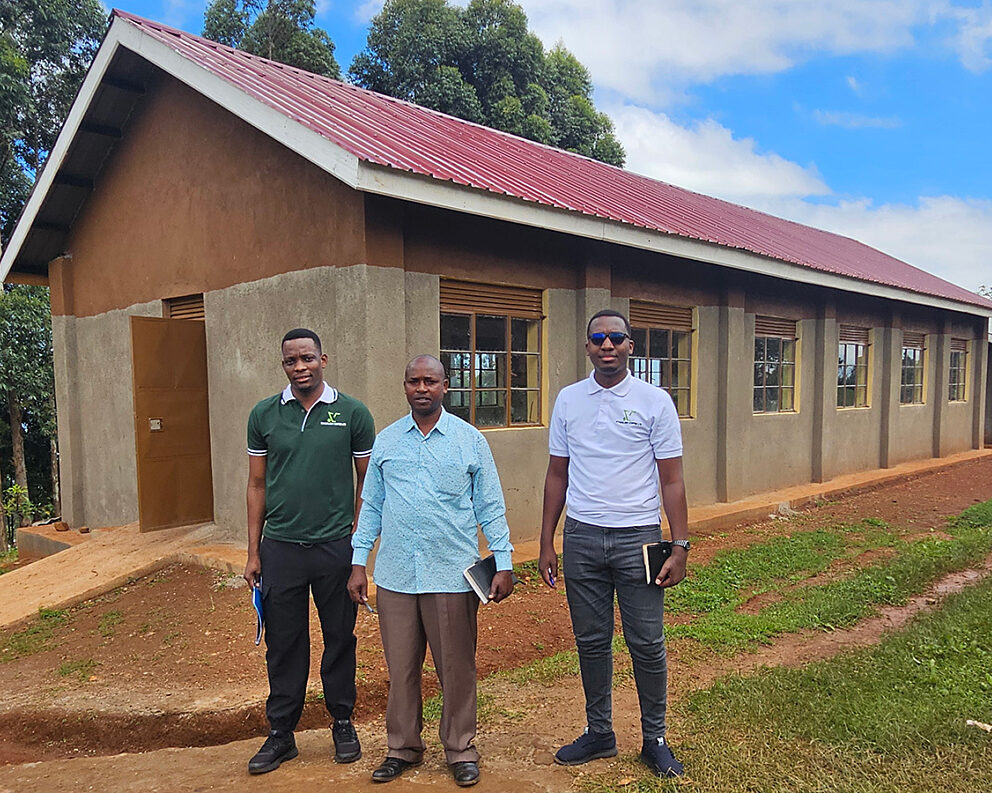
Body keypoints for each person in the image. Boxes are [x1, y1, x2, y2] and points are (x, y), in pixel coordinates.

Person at [348, 355, 514, 787]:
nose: (422, 388)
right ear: (404, 387)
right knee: (401, 668)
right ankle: (402, 747)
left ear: (446, 387)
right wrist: (357, 562)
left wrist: (505, 561)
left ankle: (460, 749)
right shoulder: (386, 442)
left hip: (450, 576)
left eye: (430, 381)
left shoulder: (469, 440)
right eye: (413, 381)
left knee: (456, 667)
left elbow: (490, 507)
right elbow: (371, 507)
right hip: (397, 576)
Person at [539, 309, 690, 778]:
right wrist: (547, 542)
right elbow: (557, 475)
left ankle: (655, 739)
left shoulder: (654, 401)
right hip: (582, 537)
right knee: (591, 642)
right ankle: (600, 733)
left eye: (616, 338)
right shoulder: (568, 400)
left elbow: (672, 480)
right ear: (587, 347)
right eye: (598, 338)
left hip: (639, 538)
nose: (607, 345)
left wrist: (680, 544)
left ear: (630, 346)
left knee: (646, 642)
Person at [243, 328, 375, 775]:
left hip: (335, 547)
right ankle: (282, 734)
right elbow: (256, 484)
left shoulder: (352, 412)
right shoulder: (264, 414)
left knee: (340, 638)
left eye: (307, 359)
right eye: (291, 361)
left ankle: (342, 721)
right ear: (283, 365)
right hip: (280, 548)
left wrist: (357, 544)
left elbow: (368, 483)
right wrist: (252, 552)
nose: (300, 367)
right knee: (284, 643)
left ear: (324, 359)